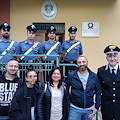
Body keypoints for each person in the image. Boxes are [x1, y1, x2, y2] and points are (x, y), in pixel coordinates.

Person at [66, 56, 101, 120]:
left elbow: (98, 92)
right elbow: (66, 90)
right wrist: (68, 103)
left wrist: (97, 107)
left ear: (87, 62)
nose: (82, 64)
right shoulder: (71, 75)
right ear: (77, 64)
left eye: (84, 62)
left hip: (89, 109)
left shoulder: (94, 76)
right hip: (74, 109)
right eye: (79, 62)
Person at [97, 45, 120, 120]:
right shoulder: (101, 71)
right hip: (107, 107)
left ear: (118, 57)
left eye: (114, 56)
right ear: (106, 58)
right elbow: (98, 88)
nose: (112, 59)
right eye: (110, 56)